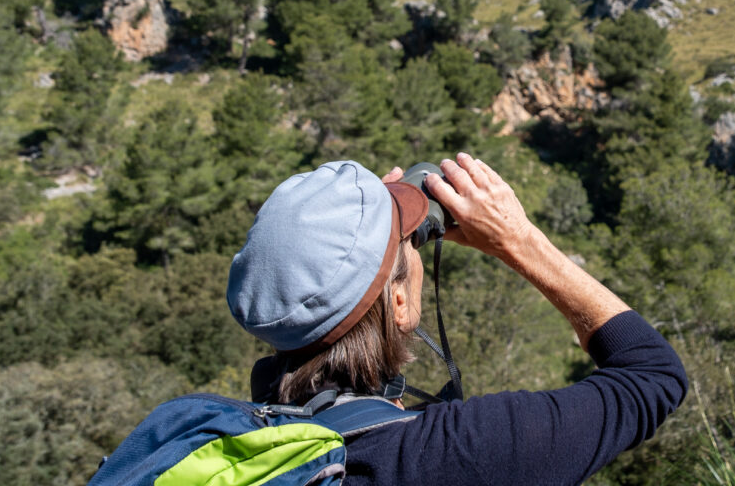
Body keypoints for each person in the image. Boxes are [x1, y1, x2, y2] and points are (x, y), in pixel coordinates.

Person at [227, 153, 688, 486]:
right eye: (410, 242)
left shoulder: (209, 436)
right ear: (400, 303)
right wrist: (519, 241)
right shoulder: (456, 453)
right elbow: (652, 374)